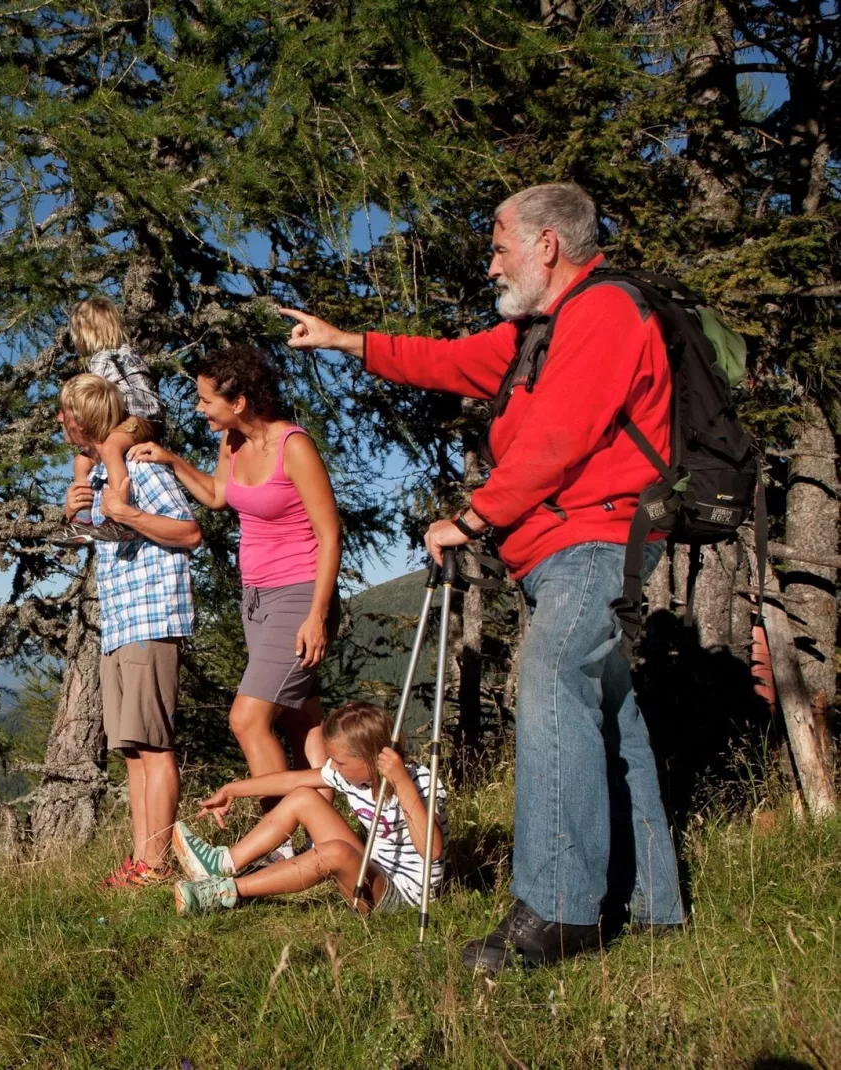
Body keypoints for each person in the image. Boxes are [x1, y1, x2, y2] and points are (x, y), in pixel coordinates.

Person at [280, 181, 685, 971]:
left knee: (551, 677)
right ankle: (652, 904)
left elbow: (560, 439)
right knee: (610, 718)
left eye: (500, 243)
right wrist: (344, 340)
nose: (490, 259)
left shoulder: (603, 312)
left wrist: (472, 517)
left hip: (598, 540)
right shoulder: (542, 330)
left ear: (547, 245)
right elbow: (448, 361)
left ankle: (559, 909)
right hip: (564, 548)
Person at [129, 346, 342, 854]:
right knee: (300, 718)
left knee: (247, 718)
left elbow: (330, 534)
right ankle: (337, 835)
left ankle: (283, 839)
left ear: (241, 400)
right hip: (257, 600)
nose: (200, 409)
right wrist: (174, 460)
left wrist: (317, 615)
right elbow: (220, 497)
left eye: (206, 400)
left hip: (300, 595)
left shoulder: (294, 446)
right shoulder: (232, 440)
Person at [58, 372, 201, 888]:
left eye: (65, 413)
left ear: (85, 419)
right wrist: (78, 521)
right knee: (134, 748)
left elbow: (190, 531)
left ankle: (156, 865)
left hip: (152, 616)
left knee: (154, 747)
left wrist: (127, 512)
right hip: (120, 622)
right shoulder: (99, 476)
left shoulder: (139, 467)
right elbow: (113, 535)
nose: (59, 421)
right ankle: (143, 862)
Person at [169, 701, 445, 917]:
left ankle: (224, 892)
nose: (333, 767)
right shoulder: (351, 774)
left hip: (403, 899)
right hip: (370, 870)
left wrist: (400, 782)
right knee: (303, 796)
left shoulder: (419, 781)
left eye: (340, 761)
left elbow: (431, 851)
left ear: (372, 758)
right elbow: (290, 781)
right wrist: (231, 790)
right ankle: (222, 865)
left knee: (335, 852)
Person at [66, 296, 166, 541]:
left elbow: (103, 403)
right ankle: (82, 516)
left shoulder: (103, 361)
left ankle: (121, 515)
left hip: (141, 418)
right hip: (133, 419)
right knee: (82, 459)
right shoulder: (127, 354)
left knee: (110, 447)